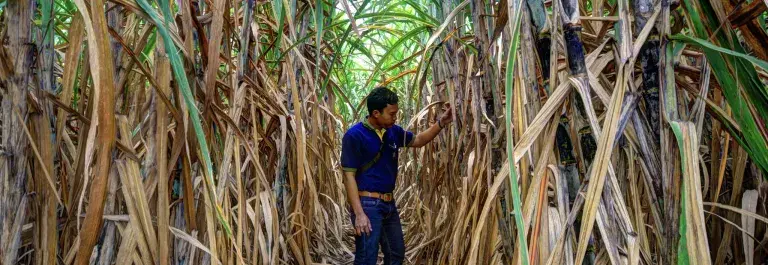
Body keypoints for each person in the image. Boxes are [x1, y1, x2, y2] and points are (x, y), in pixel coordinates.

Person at [341, 86, 452, 265]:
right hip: (367, 205)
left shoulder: (393, 131)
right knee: (366, 258)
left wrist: (441, 123)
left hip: (388, 204)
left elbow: (417, 141)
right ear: (376, 113)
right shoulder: (354, 136)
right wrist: (359, 214)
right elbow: (348, 177)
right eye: (391, 114)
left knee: (396, 253)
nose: (395, 117)